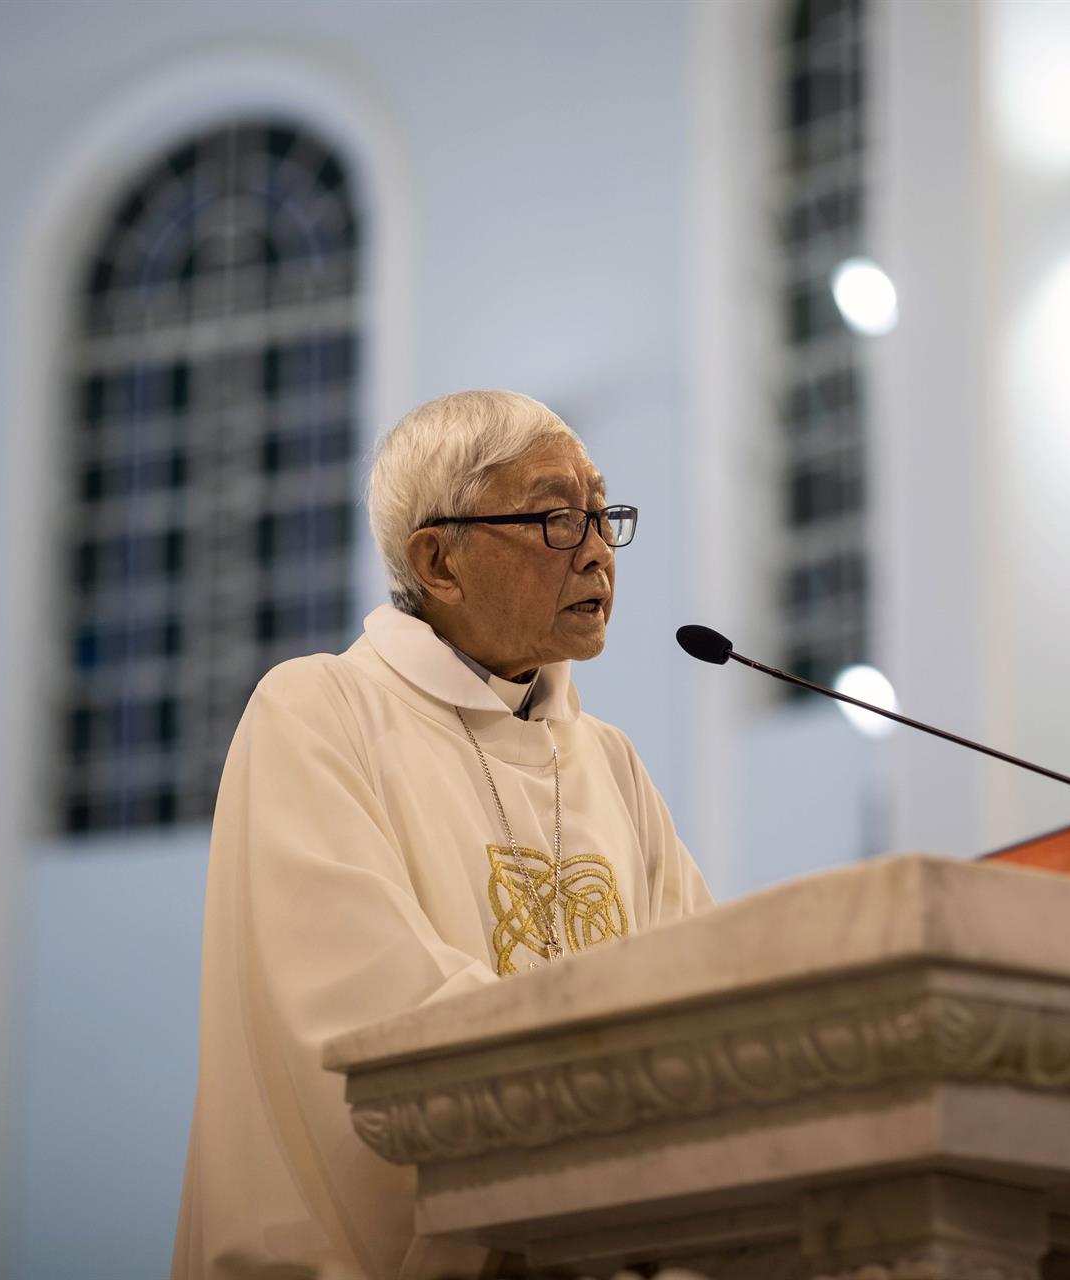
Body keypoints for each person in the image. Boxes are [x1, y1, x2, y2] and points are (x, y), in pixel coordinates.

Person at [172, 390, 713, 1280]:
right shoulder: (319, 712)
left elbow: (711, 989)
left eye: (604, 514)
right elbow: (366, 1023)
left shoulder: (608, 763)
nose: (598, 550)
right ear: (439, 561)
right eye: (555, 519)